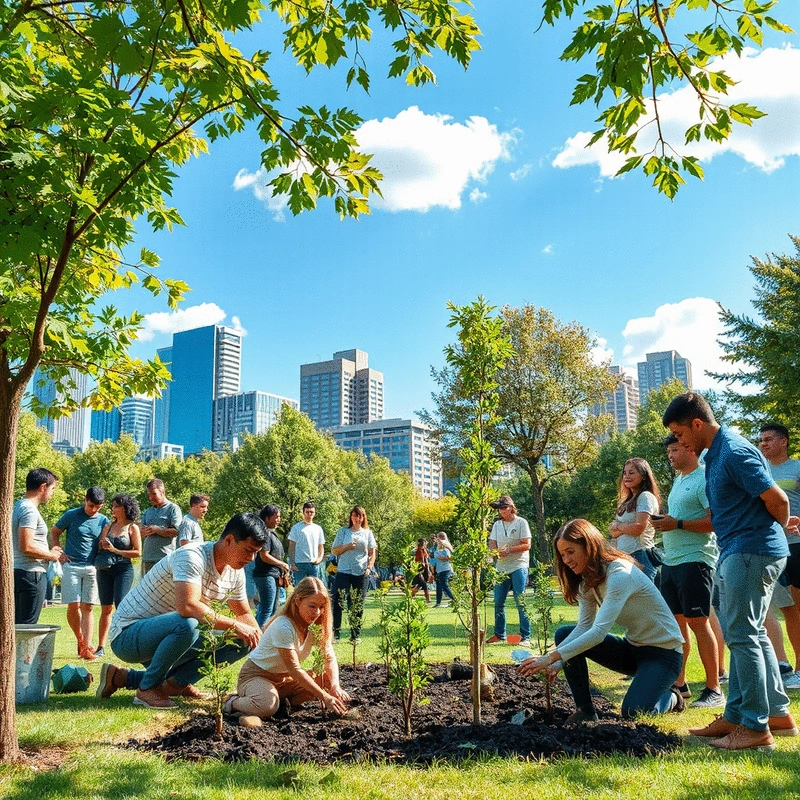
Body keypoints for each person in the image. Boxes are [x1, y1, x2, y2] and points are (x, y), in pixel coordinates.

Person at [663, 392, 797, 750]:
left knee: (741, 637)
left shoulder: (734, 451)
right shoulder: (717, 453)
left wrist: (770, 534)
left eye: (679, 433)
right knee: (751, 634)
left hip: (750, 552)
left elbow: (778, 500)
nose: (679, 441)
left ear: (696, 424)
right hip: (742, 550)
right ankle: (770, 715)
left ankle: (754, 728)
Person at [518, 518, 685, 721]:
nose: (566, 560)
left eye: (570, 551)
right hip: (633, 649)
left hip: (664, 655)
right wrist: (557, 663)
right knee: (564, 633)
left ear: (589, 546)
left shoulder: (620, 575)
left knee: (634, 712)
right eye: (562, 555)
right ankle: (586, 712)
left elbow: (598, 633)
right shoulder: (588, 581)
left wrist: (550, 657)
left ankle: (672, 697)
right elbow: (584, 627)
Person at [97, 513, 266, 709]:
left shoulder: (235, 572)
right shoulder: (192, 556)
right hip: (128, 635)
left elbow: (244, 614)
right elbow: (188, 606)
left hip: (169, 636)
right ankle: (147, 689)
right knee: (189, 623)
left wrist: (263, 647)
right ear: (229, 540)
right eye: (248, 550)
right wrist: (237, 625)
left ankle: (171, 683)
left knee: (244, 640)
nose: (251, 558)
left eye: (256, 553)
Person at [651, 436, 724, 708]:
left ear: (690, 449)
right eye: (668, 450)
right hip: (671, 562)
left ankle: (714, 688)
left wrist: (677, 523)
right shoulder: (679, 480)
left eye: (674, 450)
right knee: (676, 626)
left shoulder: (705, 478)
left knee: (698, 623)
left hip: (696, 561)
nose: (670, 455)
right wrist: (665, 523)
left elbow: (715, 521)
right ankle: (679, 684)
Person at [225, 577, 349, 720]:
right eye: (312, 606)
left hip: (284, 679)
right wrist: (325, 697)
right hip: (256, 675)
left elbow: (329, 657)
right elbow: (295, 669)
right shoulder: (284, 626)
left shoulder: (316, 626)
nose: (317, 612)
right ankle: (232, 703)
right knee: (267, 705)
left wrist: (335, 687)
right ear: (297, 600)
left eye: (321, 607)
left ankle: (281, 702)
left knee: (326, 679)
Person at [758, 424, 800, 690]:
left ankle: (799, 669)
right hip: (768, 546)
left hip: (796, 544)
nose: (763, 444)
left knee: (795, 609)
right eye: (760, 440)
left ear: (783, 441)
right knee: (771, 609)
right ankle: (781, 667)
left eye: (769, 439)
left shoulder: (796, 467)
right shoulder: (759, 469)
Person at [50, 487, 109, 660]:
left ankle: (87, 646)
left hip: (92, 567)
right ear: (85, 499)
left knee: (88, 606)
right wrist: (59, 551)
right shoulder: (71, 515)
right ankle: (80, 640)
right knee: (73, 605)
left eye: (97, 507)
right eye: (91, 505)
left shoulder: (103, 520)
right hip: (72, 566)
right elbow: (54, 531)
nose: (93, 510)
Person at [94, 494, 142, 658]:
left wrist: (116, 550)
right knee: (105, 608)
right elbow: (101, 546)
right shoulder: (108, 526)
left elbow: (138, 552)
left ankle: (126, 642)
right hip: (105, 569)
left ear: (124, 508)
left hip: (123, 569)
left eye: (115, 506)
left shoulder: (132, 528)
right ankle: (100, 646)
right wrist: (103, 544)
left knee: (121, 605)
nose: (112, 508)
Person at [13, 468, 62, 624]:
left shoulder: (18, 506)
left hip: (18, 572)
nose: (52, 493)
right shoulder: (29, 511)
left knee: (16, 626)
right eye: (52, 488)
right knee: (27, 628)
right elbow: (26, 546)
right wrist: (52, 555)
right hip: (30, 575)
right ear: (43, 487)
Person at [486, 495, 532, 645]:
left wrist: (510, 550)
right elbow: (492, 542)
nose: (501, 511)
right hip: (501, 567)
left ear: (511, 507)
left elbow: (527, 544)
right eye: (499, 508)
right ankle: (500, 635)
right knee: (499, 601)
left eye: (504, 508)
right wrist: (495, 551)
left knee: (520, 600)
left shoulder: (521, 523)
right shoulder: (497, 525)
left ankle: (525, 636)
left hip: (519, 565)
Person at [609, 458, 661, 581]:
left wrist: (619, 526)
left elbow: (638, 528)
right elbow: (613, 533)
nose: (627, 476)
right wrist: (625, 528)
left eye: (631, 473)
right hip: (624, 557)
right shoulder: (626, 501)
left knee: (644, 599)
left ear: (643, 475)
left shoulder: (645, 497)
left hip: (640, 556)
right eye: (625, 473)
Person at [331, 506, 376, 641]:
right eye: (355, 516)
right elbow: (334, 551)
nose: (357, 518)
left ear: (363, 518)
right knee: (338, 601)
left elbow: (372, 553)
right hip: (344, 571)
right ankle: (336, 633)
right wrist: (347, 546)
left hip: (361, 572)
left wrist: (369, 567)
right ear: (351, 517)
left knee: (356, 603)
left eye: (360, 516)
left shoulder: (367, 533)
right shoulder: (343, 531)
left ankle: (355, 635)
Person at [253, 504, 290, 628]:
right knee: (266, 609)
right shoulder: (265, 533)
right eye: (276, 517)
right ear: (267, 518)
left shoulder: (271, 533)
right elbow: (264, 555)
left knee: (273, 610)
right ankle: (258, 639)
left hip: (274, 576)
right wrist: (282, 563)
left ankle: (266, 638)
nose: (279, 520)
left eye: (279, 517)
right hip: (265, 575)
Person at [140, 478, 182, 575]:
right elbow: (140, 533)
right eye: (149, 495)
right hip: (147, 559)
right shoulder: (148, 511)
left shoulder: (173, 508)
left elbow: (176, 531)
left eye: (153, 494)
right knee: (146, 589)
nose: (150, 497)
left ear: (162, 491)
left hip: (164, 559)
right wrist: (142, 532)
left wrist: (157, 530)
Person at [288, 501, 325, 581]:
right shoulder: (296, 528)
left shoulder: (318, 528)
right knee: (300, 590)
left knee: (314, 589)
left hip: (314, 564)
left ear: (314, 513)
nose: (309, 514)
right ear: (303, 512)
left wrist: (319, 559)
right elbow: (291, 547)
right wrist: (292, 563)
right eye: (307, 512)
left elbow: (321, 547)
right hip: (300, 564)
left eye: (311, 512)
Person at [432, 532, 455, 607]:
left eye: (438, 538)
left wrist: (439, 557)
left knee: (444, 585)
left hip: (445, 569)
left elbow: (448, 558)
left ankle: (454, 600)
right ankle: (438, 602)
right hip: (439, 569)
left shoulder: (446, 548)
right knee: (438, 586)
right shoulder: (439, 550)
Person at [411, 538, 432, 603]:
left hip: (424, 569)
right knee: (423, 583)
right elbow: (422, 561)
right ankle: (428, 598)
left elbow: (427, 559)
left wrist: (428, 570)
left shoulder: (424, 550)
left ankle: (412, 594)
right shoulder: (419, 550)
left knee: (421, 583)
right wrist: (427, 569)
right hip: (419, 569)